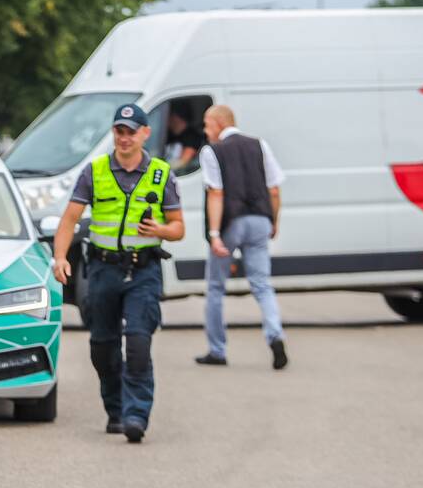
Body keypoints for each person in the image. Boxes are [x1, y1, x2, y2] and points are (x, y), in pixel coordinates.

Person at [52, 103, 185, 444]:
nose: (124, 138)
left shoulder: (160, 173)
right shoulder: (95, 171)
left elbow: (178, 228)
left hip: (144, 270)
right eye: (119, 131)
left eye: (130, 132)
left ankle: (136, 414)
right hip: (103, 270)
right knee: (102, 346)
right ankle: (116, 409)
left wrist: (160, 228)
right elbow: (69, 220)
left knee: (138, 343)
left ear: (145, 133)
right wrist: (60, 258)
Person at [194, 104, 288, 370]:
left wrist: (214, 235)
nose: (205, 130)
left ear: (219, 123)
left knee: (215, 287)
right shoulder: (259, 145)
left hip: (230, 223)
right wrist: (274, 221)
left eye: (206, 124)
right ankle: (275, 334)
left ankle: (217, 350)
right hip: (260, 220)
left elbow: (216, 193)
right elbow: (274, 189)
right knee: (262, 284)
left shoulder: (212, 151)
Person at [164, 104, 203, 172]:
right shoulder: (169, 135)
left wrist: (162, 167)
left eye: (169, 116)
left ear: (176, 117)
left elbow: (183, 161)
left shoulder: (192, 136)